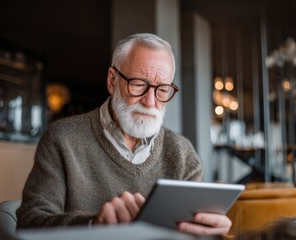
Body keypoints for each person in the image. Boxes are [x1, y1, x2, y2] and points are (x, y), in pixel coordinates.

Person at [16, 33, 231, 236]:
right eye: (138, 84)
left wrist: (208, 232)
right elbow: (29, 222)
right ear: (112, 80)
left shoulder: (183, 154)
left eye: (162, 90)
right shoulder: (62, 139)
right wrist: (93, 225)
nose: (150, 102)